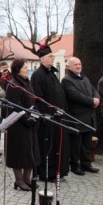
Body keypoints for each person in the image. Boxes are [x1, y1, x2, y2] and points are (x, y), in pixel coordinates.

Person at [30, 44, 70, 182]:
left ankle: (59, 170)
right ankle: (47, 173)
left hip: (58, 117)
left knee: (59, 145)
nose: (52, 58)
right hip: (48, 118)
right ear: (42, 59)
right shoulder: (37, 75)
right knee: (48, 147)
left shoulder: (52, 73)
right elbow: (38, 98)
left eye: (53, 56)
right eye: (50, 56)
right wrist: (47, 114)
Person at [5, 59, 40, 191]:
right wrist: (27, 118)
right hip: (18, 124)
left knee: (31, 152)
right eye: (25, 68)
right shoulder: (13, 85)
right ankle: (19, 181)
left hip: (30, 123)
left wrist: (35, 114)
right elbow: (15, 107)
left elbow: (33, 101)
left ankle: (27, 179)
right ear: (18, 70)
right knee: (19, 154)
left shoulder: (27, 83)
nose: (27, 70)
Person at [61, 57, 100, 175]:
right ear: (69, 67)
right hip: (77, 117)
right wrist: (91, 101)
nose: (78, 66)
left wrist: (97, 98)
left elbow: (94, 90)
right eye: (75, 65)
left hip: (89, 116)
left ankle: (86, 163)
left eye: (79, 64)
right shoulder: (67, 80)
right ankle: (74, 165)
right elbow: (75, 95)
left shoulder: (85, 78)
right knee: (76, 144)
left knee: (86, 143)